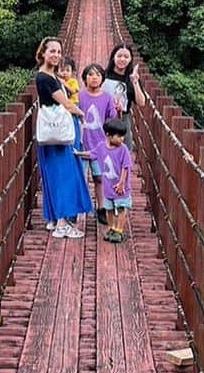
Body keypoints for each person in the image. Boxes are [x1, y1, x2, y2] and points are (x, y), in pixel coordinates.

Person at [35, 36, 92, 239]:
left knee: (54, 174)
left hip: (49, 134)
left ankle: (54, 219)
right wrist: (81, 112)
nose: (56, 55)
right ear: (42, 53)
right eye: (52, 51)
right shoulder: (45, 78)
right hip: (58, 135)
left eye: (59, 52)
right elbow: (66, 104)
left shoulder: (48, 76)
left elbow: (69, 90)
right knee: (64, 175)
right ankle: (62, 224)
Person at [78, 63, 117, 224]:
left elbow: (112, 118)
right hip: (81, 143)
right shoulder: (79, 96)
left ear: (102, 79)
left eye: (98, 75)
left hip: (100, 144)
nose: (94, 78)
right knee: (80, 177)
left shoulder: (107, 97)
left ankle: (101, 208)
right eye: (90, 74)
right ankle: (78, 208)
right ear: (84, 78)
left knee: (99, 178)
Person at [100, 116, 133, 244]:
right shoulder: (102, 147)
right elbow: (93, 153)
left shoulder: (123, 149)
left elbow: (126, 167)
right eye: (118, 136)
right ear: (108, 135)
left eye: (122, 136)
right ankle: (112, 228)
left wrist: (122, 182)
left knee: (121, 208)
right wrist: (79, 154)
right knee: (108, 208)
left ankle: (119, 230)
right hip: (108, 186)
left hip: (121, 187)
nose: (122, 139)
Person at [102, 42, 138, 146]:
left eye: (126, 56)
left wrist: (135, 83)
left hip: (123, 119)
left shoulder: (131, 78)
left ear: (130, 59)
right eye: (119, 56)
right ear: (113, 57)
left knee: (124, 151)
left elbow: (141, 102)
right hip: (105, 117)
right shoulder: (104, 75)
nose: (122, 59)